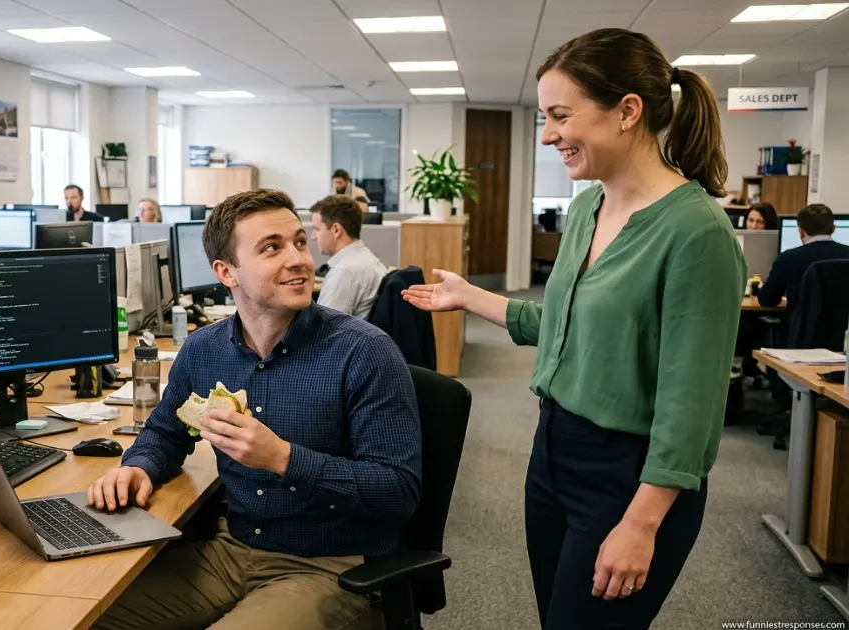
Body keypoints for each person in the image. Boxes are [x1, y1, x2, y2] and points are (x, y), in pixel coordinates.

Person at [403, 28, 745, 629]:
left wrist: (641, 524)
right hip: (555, 451)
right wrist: (468, 296)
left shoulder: (697, 232)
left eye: (561, 115)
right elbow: (567, 329)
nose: (548, 134)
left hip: (631, 475)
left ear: (627, 112)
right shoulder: (587, 208)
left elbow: (691, 406)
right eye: (544, 116)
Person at [87, 188, 421, 630]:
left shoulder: (365, 352)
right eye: (272, 248)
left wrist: (282, 458)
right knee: (83, 616)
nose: (299, 259)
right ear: (226, 272)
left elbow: (398, 490)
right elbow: (166, 433)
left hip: (328, 565)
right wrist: (140, 468)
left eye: (301, 242)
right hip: (231, 550)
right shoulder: (203, 350)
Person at [757, 203, 849, 312]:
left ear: (800, 231)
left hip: (801, 328)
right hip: (844, 328)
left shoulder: (787, 259)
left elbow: (767, 299)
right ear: (833, 229)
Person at [310, 195, 387, 319]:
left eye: (317, 229)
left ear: (336, 230)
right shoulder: (369, 261)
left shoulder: (345, 272)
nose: (313, 237)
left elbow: (323, 329)